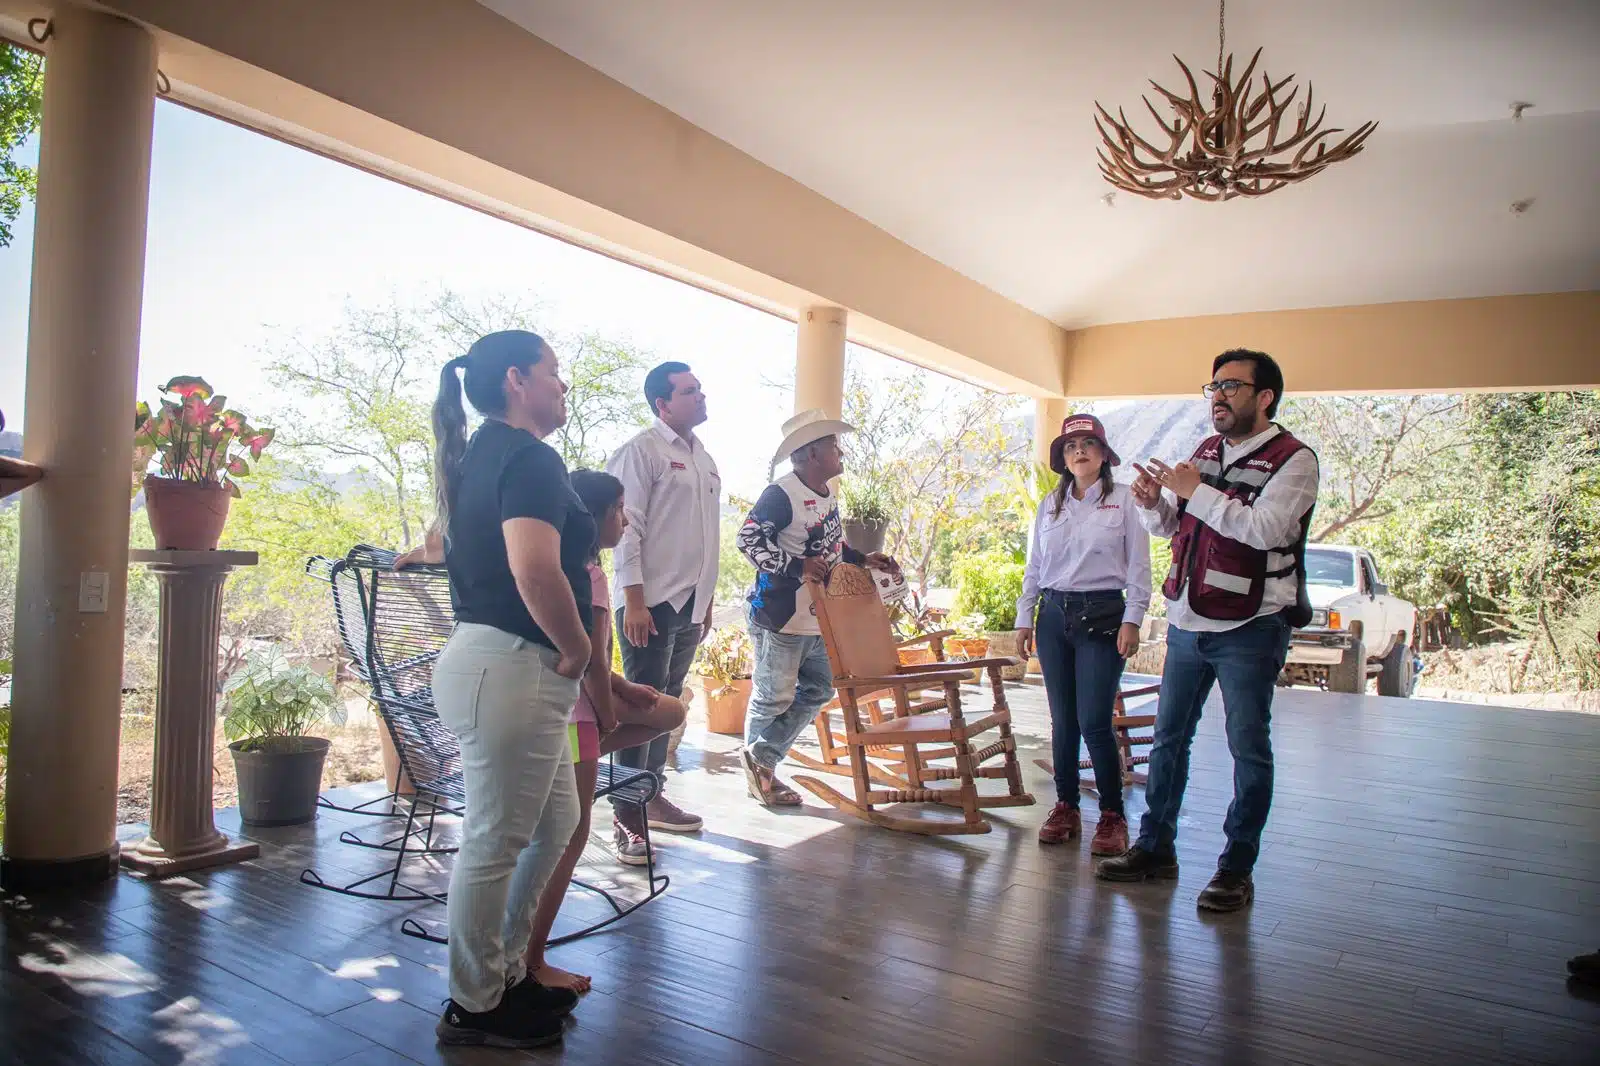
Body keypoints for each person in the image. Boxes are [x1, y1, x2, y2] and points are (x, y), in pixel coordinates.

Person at [1097, 348, 1319, 913]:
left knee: (1248, 747)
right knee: (1169, 740)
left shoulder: (1295, 460)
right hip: (1187, 621)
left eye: (1231, 387)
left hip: (1252, 625)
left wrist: (1195, 490)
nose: (1217, 396)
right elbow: (1178, 526)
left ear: (1264, 396)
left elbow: (1265, 530)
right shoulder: (1204, 454)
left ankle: (1235, 869)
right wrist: (1154, 506)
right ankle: (1154, 848)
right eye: (1212, 387)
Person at [426, 330, 592, 1049]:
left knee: (553, 825)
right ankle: (474, 1004)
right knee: (494, 841)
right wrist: (579, 645)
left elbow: (448, 545)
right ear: (519, 380)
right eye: (555, 373)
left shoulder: (479, 458)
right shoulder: (527, 456)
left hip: (494, 664)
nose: (564, 385)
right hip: (516, 665)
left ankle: (506, 975)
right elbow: (533, 570)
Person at [522, 470, 687, 990]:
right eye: (618, 507)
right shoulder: (587, 573)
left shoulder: (556, 565)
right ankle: (532, 959)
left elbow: (588, 654)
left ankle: (586, 750)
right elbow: (587, 656)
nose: (627, 517)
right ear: (592, 518)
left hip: (563, 710)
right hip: (571, 713)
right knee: (568, 839)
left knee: (669, 712)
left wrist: (622, 689)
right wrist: (608, 708)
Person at [736, 409, 896, 806]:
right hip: (782, 616)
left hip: (820, 616)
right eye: (832, 445)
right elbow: (748, 541)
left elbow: (832, 547)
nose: (839, 452)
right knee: (773, 697)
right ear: (810, 454)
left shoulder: (827, 496)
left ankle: (761, 760)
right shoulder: (782, 494)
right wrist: (796, 567)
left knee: (821, 688)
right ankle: (759, 780)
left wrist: (864, 558)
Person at [1016, 414, 1150, 856]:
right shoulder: (1048, 507)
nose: (1079, 451)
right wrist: (1024, 617)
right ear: (1062, 456)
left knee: (1094, 720)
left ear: (1103, 454)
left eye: (1088, 443)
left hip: (1104, 615)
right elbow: (1034, 567)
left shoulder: (1126, 500)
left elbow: (1139, 568)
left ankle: (1112, 816)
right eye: (1071, 444)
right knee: (1062, 720)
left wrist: (1133, 618)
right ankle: (1066, 806)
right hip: (1054, 616)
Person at [604, 361, 718, 858]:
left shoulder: (705, 458)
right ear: (662, 404)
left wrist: (707, 600)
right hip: (647, 603)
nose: (701, 396)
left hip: (689, 602)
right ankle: (626, 812)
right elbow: (627, 527)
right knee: (644, 706)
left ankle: (650, 795)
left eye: (700, 389)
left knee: (669, 704)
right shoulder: (640, 451)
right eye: (690, 391)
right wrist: (632, 598)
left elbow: (707, 536)